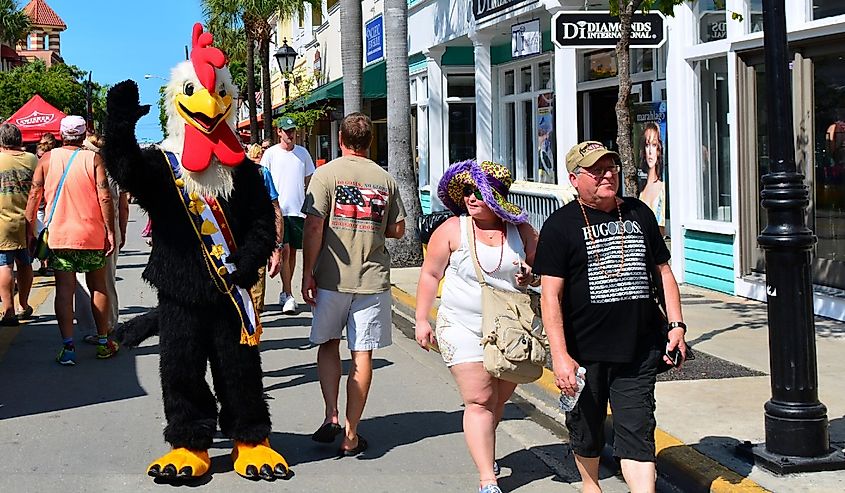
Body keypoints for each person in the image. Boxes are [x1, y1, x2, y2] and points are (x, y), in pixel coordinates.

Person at [533, 141, 688, 493]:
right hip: (584, 353)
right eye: (597, 170)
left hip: (638, 349)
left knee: (637, 431)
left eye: (611, 168)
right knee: (586, 429)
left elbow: (663, 272)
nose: (608, 174)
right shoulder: (560, 226)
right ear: (574, 179)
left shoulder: (639, 213)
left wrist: (676, 324)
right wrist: (560, 355)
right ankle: (591, 484)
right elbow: (551, 296)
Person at [415, 159, 539, 493]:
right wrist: (421, 318)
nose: (470, 198)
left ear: (496, 197)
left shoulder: (522, 232)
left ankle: (485, 448)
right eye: (467, 191)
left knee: (497, 402)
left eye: (478, 192)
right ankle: (488, 479)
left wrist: (530, 276)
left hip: (509, 332)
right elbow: (430, 274)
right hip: (461, 325)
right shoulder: (453, 229)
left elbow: (542, 273)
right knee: (480, 399)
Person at [301, 112, 406, 456]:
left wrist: (307, 273)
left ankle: (331, 413)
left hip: (332, 278)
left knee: (329, 344)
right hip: (372, 280)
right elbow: (398, 230)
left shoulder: (325, 175)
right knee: (362, 355)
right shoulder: (385, 179)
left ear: (342, 140)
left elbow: (314, 227)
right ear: (369, 141)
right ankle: (351, 433)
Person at [25, 116, 118, 366]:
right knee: (98, 286)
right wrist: (110, 230)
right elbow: (105, 197)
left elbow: (34, 196)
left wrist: (30, 229)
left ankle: (68, 348)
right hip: (92, 234)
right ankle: (103, 342)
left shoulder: (46, 159)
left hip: (60, 235)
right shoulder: (94, 158)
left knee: (64, 291)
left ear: (61, 133)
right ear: (84, 133)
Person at [76, 133, 130, 344]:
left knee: (83, 279)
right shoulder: (115, 169)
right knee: (108, 278)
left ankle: (91, 327)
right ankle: (109, 323)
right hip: (111, 228)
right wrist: (121, 231)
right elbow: (123, 206)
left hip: (85, 227)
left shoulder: (81, 165)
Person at [261, 117, 315, 314]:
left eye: (292, 130)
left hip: (297, 211)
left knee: (291, 252)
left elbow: (310, 179)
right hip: (277, 212)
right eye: (286, 131)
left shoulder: (303, 154)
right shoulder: (270, 154)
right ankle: (288, 293)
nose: (290, 134)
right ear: (279, 132)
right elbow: (263, 180)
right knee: (283, 249)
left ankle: (286, 291)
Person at [0, 123, 37, 326]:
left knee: (5, 264)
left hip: (2, 221)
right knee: (25, 263)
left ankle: (8, 311)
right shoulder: (32, 160)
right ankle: (24, 304)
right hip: (27, 220)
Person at [246, 143, 283, 312]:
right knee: (256, 281)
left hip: (246, 237)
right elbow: (275, 208)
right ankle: (253, 321)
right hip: (257, 236)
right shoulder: (263, 173)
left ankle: (251, 323)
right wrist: (277, 245)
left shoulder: (238, 173)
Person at [637, 122, 666, 236]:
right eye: (647, 145)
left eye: (654, 145)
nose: (650, 151)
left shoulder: (663, 189)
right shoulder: (640, 188)